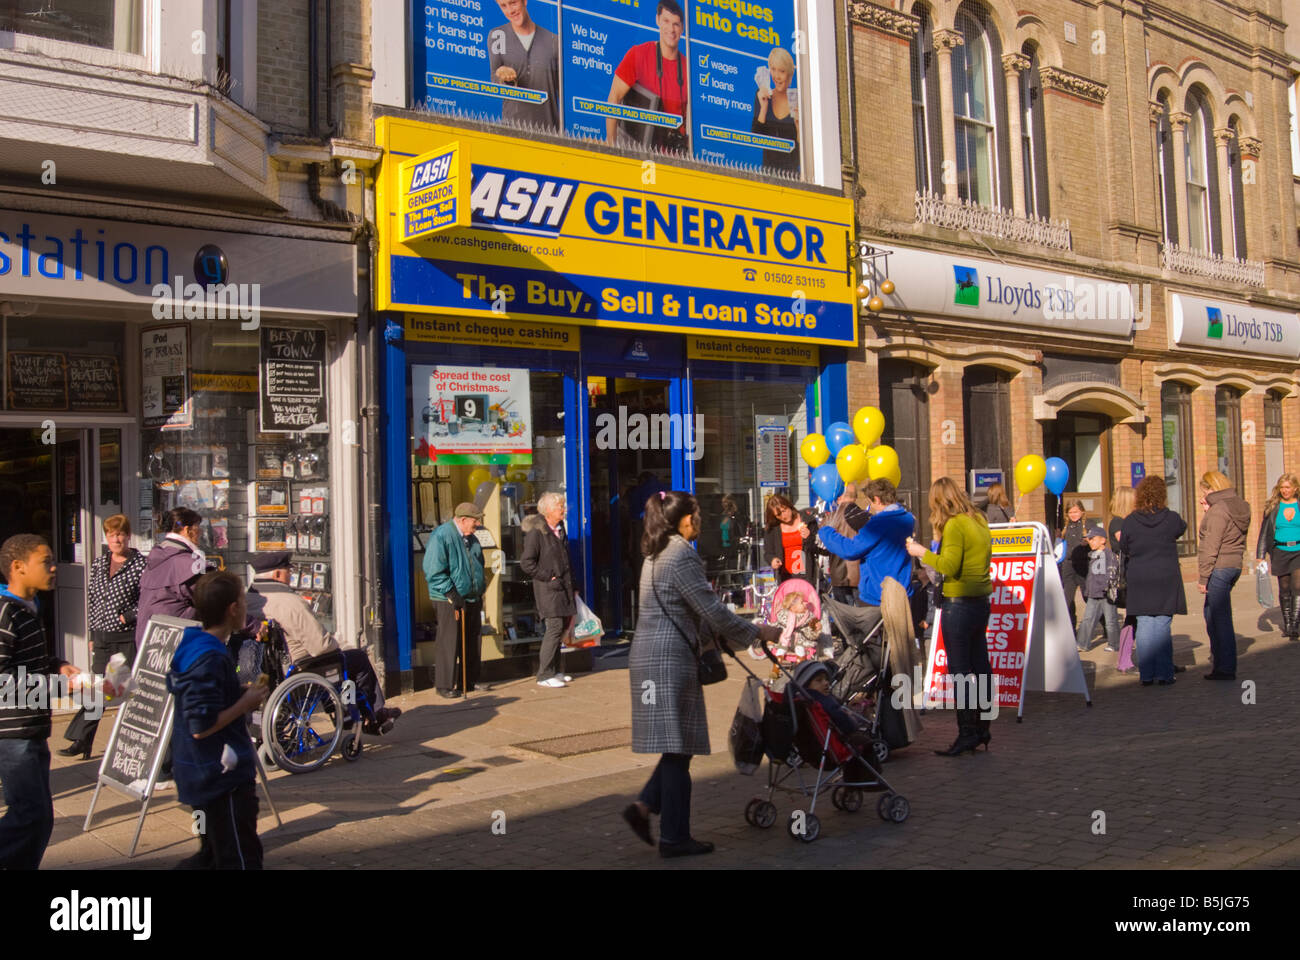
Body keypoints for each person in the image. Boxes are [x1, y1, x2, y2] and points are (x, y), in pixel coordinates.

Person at [621, 491, 781, 858]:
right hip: (668, 660)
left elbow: (688, 609)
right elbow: (711, 609)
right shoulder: (680, 555)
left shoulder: (657, 553)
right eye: (696, 514)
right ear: (684, 520)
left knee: (678, 747)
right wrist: (757, 631)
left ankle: (644, 808)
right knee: (679, 749)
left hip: (654, 656)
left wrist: (712, 640)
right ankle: (675, 837)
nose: (701, 520)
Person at [167, 571, 269, 870]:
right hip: (219, 776)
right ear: (232, 609)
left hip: (203, 773)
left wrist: (235, 692)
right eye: (242, 600)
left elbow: (199, 698)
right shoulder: (208, 656)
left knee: (212, 852)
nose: (246, 607)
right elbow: (201, 725)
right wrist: (246, 703)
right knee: (238, 856)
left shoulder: (197, 646)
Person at [245, 552, 399, 733]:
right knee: (354, 660)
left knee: (336, 665)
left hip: (263, 672)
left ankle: (355, 714)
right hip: (296, 669)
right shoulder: (290, 603)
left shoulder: (247, 600)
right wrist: (336, 644)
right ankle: (371, 716)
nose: (291, 574)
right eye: (288, 570)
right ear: (278, 574)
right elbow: (321, 646)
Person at [0, 535, 79, 869]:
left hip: (31, 727)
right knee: (31, 818)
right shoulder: (5, 613)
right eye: (45, 561)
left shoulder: (28, 609)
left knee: (36, 818)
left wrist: (57, 664)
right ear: (18, 567)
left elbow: (29, 661)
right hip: (14, 733)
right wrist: (57, 684)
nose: (53, 567)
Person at [906, 477, 993, 756]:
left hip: (959, 604)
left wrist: (922, 553)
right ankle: (983, 728)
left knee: (960, 671)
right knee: (980, 665)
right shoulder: (979, 519)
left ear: (940, 501)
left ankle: (967, 732)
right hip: (980, 602)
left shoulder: (955, 525)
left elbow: (949, 565)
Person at [61, 515, 146, 759]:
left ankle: (138, 743)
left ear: (128, 535)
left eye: (120, 534)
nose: (116, 539)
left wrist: (127, 617)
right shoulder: (99, 563)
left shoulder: (141, 564)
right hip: (102, 636)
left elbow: (147, 600)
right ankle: (82, 740)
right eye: (111, 535)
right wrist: (91, 632)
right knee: (96, 688)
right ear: (106, 537)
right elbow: (93, 600)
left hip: (126, 636)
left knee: (125, 691)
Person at [817, 478, 915, 640]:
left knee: (876, 645)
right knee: (902, 642)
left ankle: (884, 666)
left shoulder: (878, 524)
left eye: (871, 502)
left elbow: (850, 550)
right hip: (903, 590)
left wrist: (826, 532)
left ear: (876, 499)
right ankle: (913, 666)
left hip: (878, 593)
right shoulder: (908, 519)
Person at [1120, 477, 1187, 686]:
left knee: (1145, 623)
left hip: (1140, 576)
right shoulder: (1171, 518)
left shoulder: (1130, 521)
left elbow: (1123, 547)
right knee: (1162, 624)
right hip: (1165, 576)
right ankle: (1165, 673)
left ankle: (1147, 674)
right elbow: (1182, 528)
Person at [605, 0, 689, 152]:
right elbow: (614, 97)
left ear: (682, 28)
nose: (671, 29)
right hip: (640, 152)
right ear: (657, 20)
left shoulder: (688, 69)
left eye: (676, 24)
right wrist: (611, 148)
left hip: (675, 160)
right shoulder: (638, 55)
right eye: (666, 21)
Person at [423, 502, 487, 698]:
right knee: (449, 640)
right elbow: (433, 570)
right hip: (448, 598)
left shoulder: (472, 538)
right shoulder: (442, 535)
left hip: (471, 596)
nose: (477, 524)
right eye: (475, 520)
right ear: (463, 519)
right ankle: (444, 684)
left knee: (472, 641)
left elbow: (478, 564)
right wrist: (451, 593)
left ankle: (468, 681)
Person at [1197, 471, 1250, 680]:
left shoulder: (1218, 510)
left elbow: (1211, 546)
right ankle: (1221, 663)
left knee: (1219, 618)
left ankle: (1225, 668)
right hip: (1234, 564)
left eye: (1206, 490)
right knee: (1212, 614)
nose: (1204, 495)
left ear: (1212, 488)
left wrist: (1203, 578)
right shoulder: (1240, 505)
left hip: (1220, 566)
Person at [520, 491, 576, 689]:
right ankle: (544, 674)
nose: (564, 510)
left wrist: (573, 587)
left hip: (563, 588)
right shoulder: (537, 533)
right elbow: (526, 563)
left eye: (563, 506)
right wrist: (548, 576)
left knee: (560, 629)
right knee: (553, 629)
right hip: (548, 590)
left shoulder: (559, 529)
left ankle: (555, 670)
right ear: (548, 511)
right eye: (560, 507)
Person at [135, 507, 205, 645]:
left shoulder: (156, 559)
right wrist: (252, 625)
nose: (201, 532)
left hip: (149, 642)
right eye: (198, 527)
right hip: (173, 642)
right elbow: (217, 601)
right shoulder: (186, 563)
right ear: (187, 530)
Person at [487, 0, 560, 129]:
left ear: (524, 1)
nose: (510, 11)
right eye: (504, 6)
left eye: (513, 3)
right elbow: (494, 77)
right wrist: (501, 75)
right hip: (512, 130)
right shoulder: (497, 36)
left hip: (550, 131)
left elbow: (564, 91)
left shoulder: (554, 41)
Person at [1256, 471, 1300, 642]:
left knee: (1297, 586)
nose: (1285, 490)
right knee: (1284, 588)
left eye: (1288, 487)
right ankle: (1287, 623)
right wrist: (1260, 555)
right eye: (1282, 487)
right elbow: (1264, 532)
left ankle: (1294, 626)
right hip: (1280, 552)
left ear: (1295, 488)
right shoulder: (1273, 507)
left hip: (1298, 550)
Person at [752, 46, 799, 175]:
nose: (776, 76)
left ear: (789, 75)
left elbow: (801, 155)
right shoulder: (762, 96)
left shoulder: (799, 104)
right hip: (767, 175)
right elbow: (755, 138)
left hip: (792, 178)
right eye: (773, 69)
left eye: (782, 71)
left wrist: (799, 126)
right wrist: (764, 108)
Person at [1074, 523, 1118, 654]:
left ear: (1103, 540)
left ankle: (1115, 644)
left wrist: (1108, 587)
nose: (1090, 541)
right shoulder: (1092, 554)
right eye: (1089, 539)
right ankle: (1082, 644)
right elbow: (1090, 575)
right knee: (1087, 619)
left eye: (1093, 539)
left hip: (1106, 594)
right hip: (1093, 593)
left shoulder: (1108, 554)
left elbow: (1112, 572)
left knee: (1110, 620)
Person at [824, 483, 869, 604]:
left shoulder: (829, 519)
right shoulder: (865, 517)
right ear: (855, 498)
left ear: (839, 498)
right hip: (861, 574)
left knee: (845, 615)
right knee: (863, 615)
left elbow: (822, 547)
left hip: (838, 575)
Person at [763, 493, 818, 585]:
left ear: (789, 506)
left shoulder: (807, 520)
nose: (783, 516)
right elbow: (768, 553)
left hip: (806, 574)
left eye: (784, 511)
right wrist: (772, 560)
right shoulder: (773, 528)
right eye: (778, 515)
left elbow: (818, 548)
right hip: (785, 576)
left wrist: (810, 537)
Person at [1056, 500, 1088, 631]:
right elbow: (1059, 546)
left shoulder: (1088, 525)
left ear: (1082, 511)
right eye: (1070, 512)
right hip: (1068, 567)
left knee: (1089, 598)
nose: (1073, 515)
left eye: (1076, 511)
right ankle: (1071, 629)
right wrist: (1057, 537)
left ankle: (1105, 625)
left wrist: (1088, 542)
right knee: (1067, 599)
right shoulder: (1064, 527)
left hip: (1083, 567)